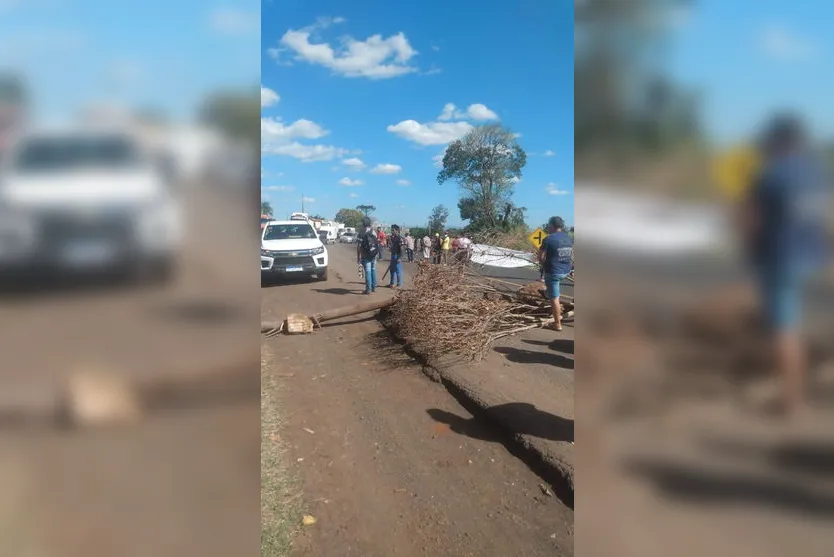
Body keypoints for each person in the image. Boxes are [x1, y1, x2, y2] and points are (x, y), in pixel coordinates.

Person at [744, 114, 828, 416]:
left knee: (784, 330)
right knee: (791, 323)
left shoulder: (770, 175)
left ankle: (791, 401)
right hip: (813, 257)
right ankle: (784, 378)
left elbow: (752, 221)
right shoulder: (816, 174)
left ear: (778, 141)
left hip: (781, 259)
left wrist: (749, 250)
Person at [539, 216, 573, 332]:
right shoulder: (568, 238)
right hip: (566, 271)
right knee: (552, 291)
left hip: (554, 273)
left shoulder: (548, 239)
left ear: (552, 226)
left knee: (554, 298)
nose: (548, 227)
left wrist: (543, 267)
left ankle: (557, 324)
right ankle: (548, 292)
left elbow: (541, 257)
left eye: (549, 225)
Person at [356, 217, 379, 294]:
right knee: (373, 269)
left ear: (363, 223)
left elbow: (359, 246)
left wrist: (358, 257)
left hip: (366, 255)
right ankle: (374, 287)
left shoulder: (361, 232)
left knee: (368, 271)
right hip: (374, 254)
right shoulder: (374, 231)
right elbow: (376, 243)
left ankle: (368, 289)